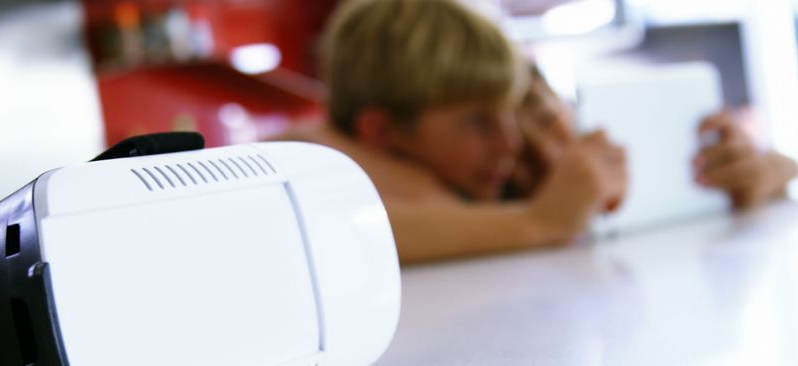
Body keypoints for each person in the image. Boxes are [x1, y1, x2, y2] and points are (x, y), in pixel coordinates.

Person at [280, 0, 627, 263]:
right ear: (383, 130)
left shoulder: (464, 178)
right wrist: (542, 221)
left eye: (509, 114)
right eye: (478, 121)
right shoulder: (306, 166)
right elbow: (340, 223)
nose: (511, 142)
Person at [516, 65, 798, 212]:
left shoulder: (618, 137)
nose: (544, 153)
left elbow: (788, 166)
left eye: (547, 120)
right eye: (520, 153)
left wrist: (755, 173)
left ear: (564, 102)